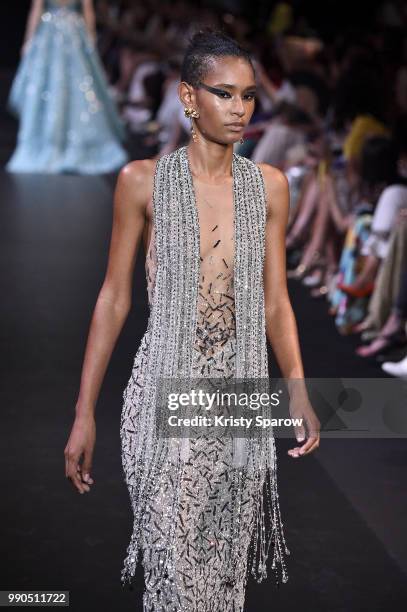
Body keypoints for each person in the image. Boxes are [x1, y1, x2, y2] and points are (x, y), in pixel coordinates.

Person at [64, 28, 320, 611]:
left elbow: (276, 301)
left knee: (222, 582)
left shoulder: (271, 188)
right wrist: (84, 413)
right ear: (187, 96)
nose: (239, 109)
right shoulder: (141, 183)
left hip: (240, 400)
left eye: (249, 95)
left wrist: (299, 390)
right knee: (175, 573)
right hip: (161, 393)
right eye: (224, 93)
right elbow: (113, 298)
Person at [6, 0, 128, 174]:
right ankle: (73, 146)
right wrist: (91, 40)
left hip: (50, 34)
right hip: (74, 33)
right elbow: (88, 12)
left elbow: (37, 11)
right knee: (77, 88)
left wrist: (29, 41)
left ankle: (52, 144)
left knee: (53, 86)